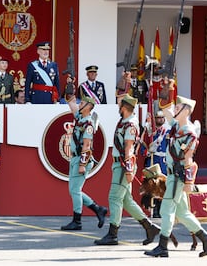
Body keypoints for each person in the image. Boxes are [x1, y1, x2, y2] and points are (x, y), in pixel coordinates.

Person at [145, 81, 207, 257]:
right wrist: (166, 90)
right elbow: (167, 108)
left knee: (166, 210)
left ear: (186, 110)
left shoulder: (189, 132)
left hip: (178, 177)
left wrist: (188, 181)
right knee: (183, 212)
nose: (175, 108)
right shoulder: (177, 126)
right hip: (172, 175)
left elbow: (188, 158)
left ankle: (163, 246)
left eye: (178, 106)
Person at [94, 92, 161, 246]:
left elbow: (129, 148)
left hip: (123, 165)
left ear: (125, 107)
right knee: (126, 200)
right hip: (120, 164)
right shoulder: (124, 121)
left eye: (120, 104)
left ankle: (113, 234)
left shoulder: (130, 124)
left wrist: (129, 169)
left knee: (114, 198)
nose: (118, 106)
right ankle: (149, 227)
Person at [60, 82, 107, 230]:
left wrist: (82, 164)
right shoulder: (80, 117)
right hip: (74, 158)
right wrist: (70, 87)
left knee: (74, 190)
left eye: (83, 102)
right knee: (74, 190)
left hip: (82, 160)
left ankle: (77, 221)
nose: (80, 104)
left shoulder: (88, 124)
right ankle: (98, 209)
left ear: (88, 106)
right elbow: (71, 103)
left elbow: (87, 146)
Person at [139, 109, 171, 217]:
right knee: (152, 185)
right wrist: (146, 152)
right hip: (152, 159)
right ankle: (153, 209)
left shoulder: (167, 132)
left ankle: (161, 209)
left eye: (162, 118)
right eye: (158, 118)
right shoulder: (150, 132)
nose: (160, 120)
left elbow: (170, 147)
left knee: (162, 185)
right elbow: (143, 145)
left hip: (162, 161)